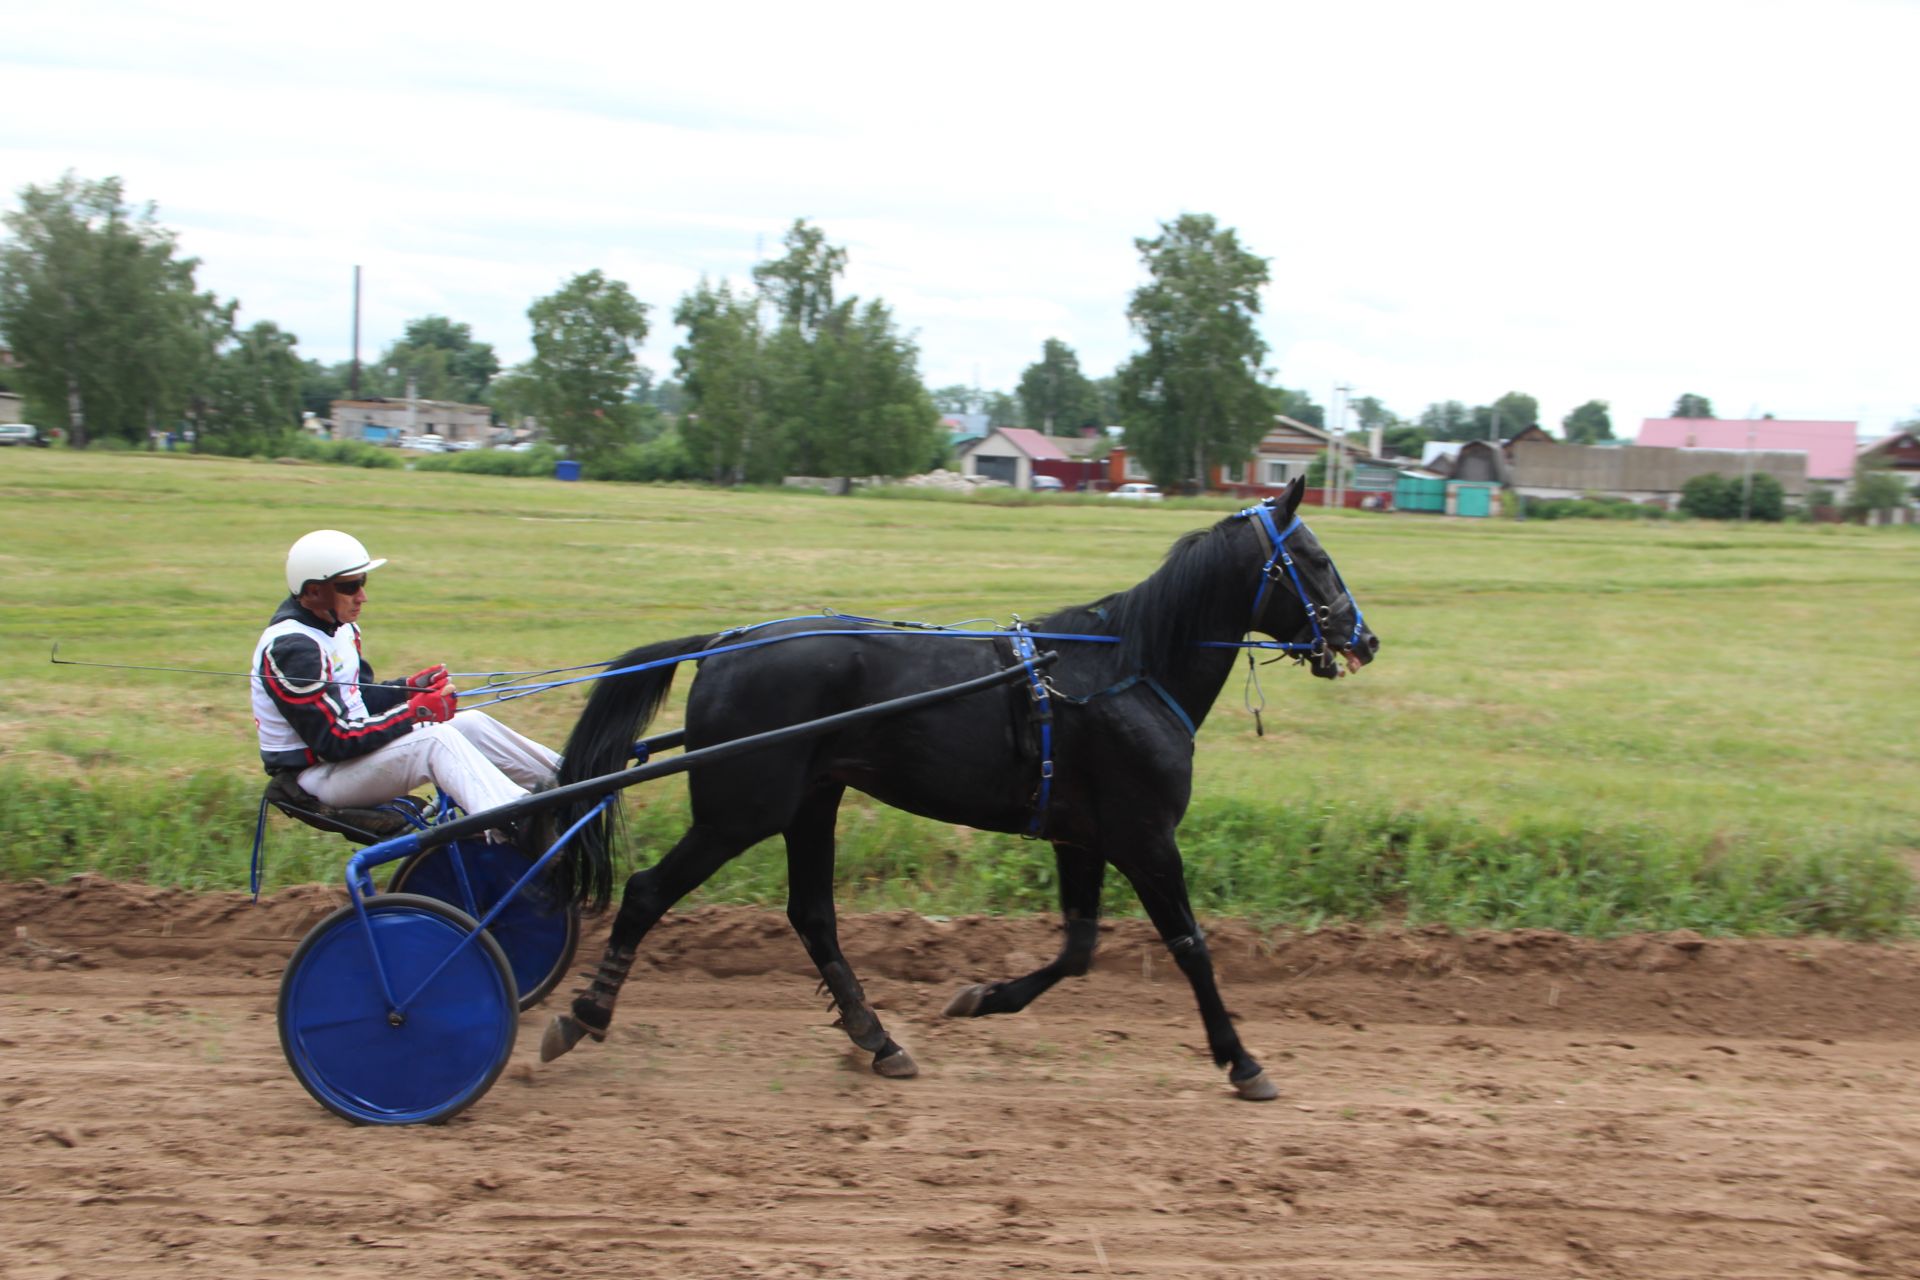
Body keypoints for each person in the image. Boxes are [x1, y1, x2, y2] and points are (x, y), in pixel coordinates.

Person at [250, 529, 559, 836]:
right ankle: (517, 821)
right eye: (350, 586)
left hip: (349, 763)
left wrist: (410, 687)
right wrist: (415, 712)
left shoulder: (340, 628)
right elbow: (335, 740)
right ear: (313, 591)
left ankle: (572, 780)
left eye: (363, 582)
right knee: (435, 741)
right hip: (316, 778)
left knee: (471, 724)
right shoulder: (292, 647)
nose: (363, 596)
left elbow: (358, 699)